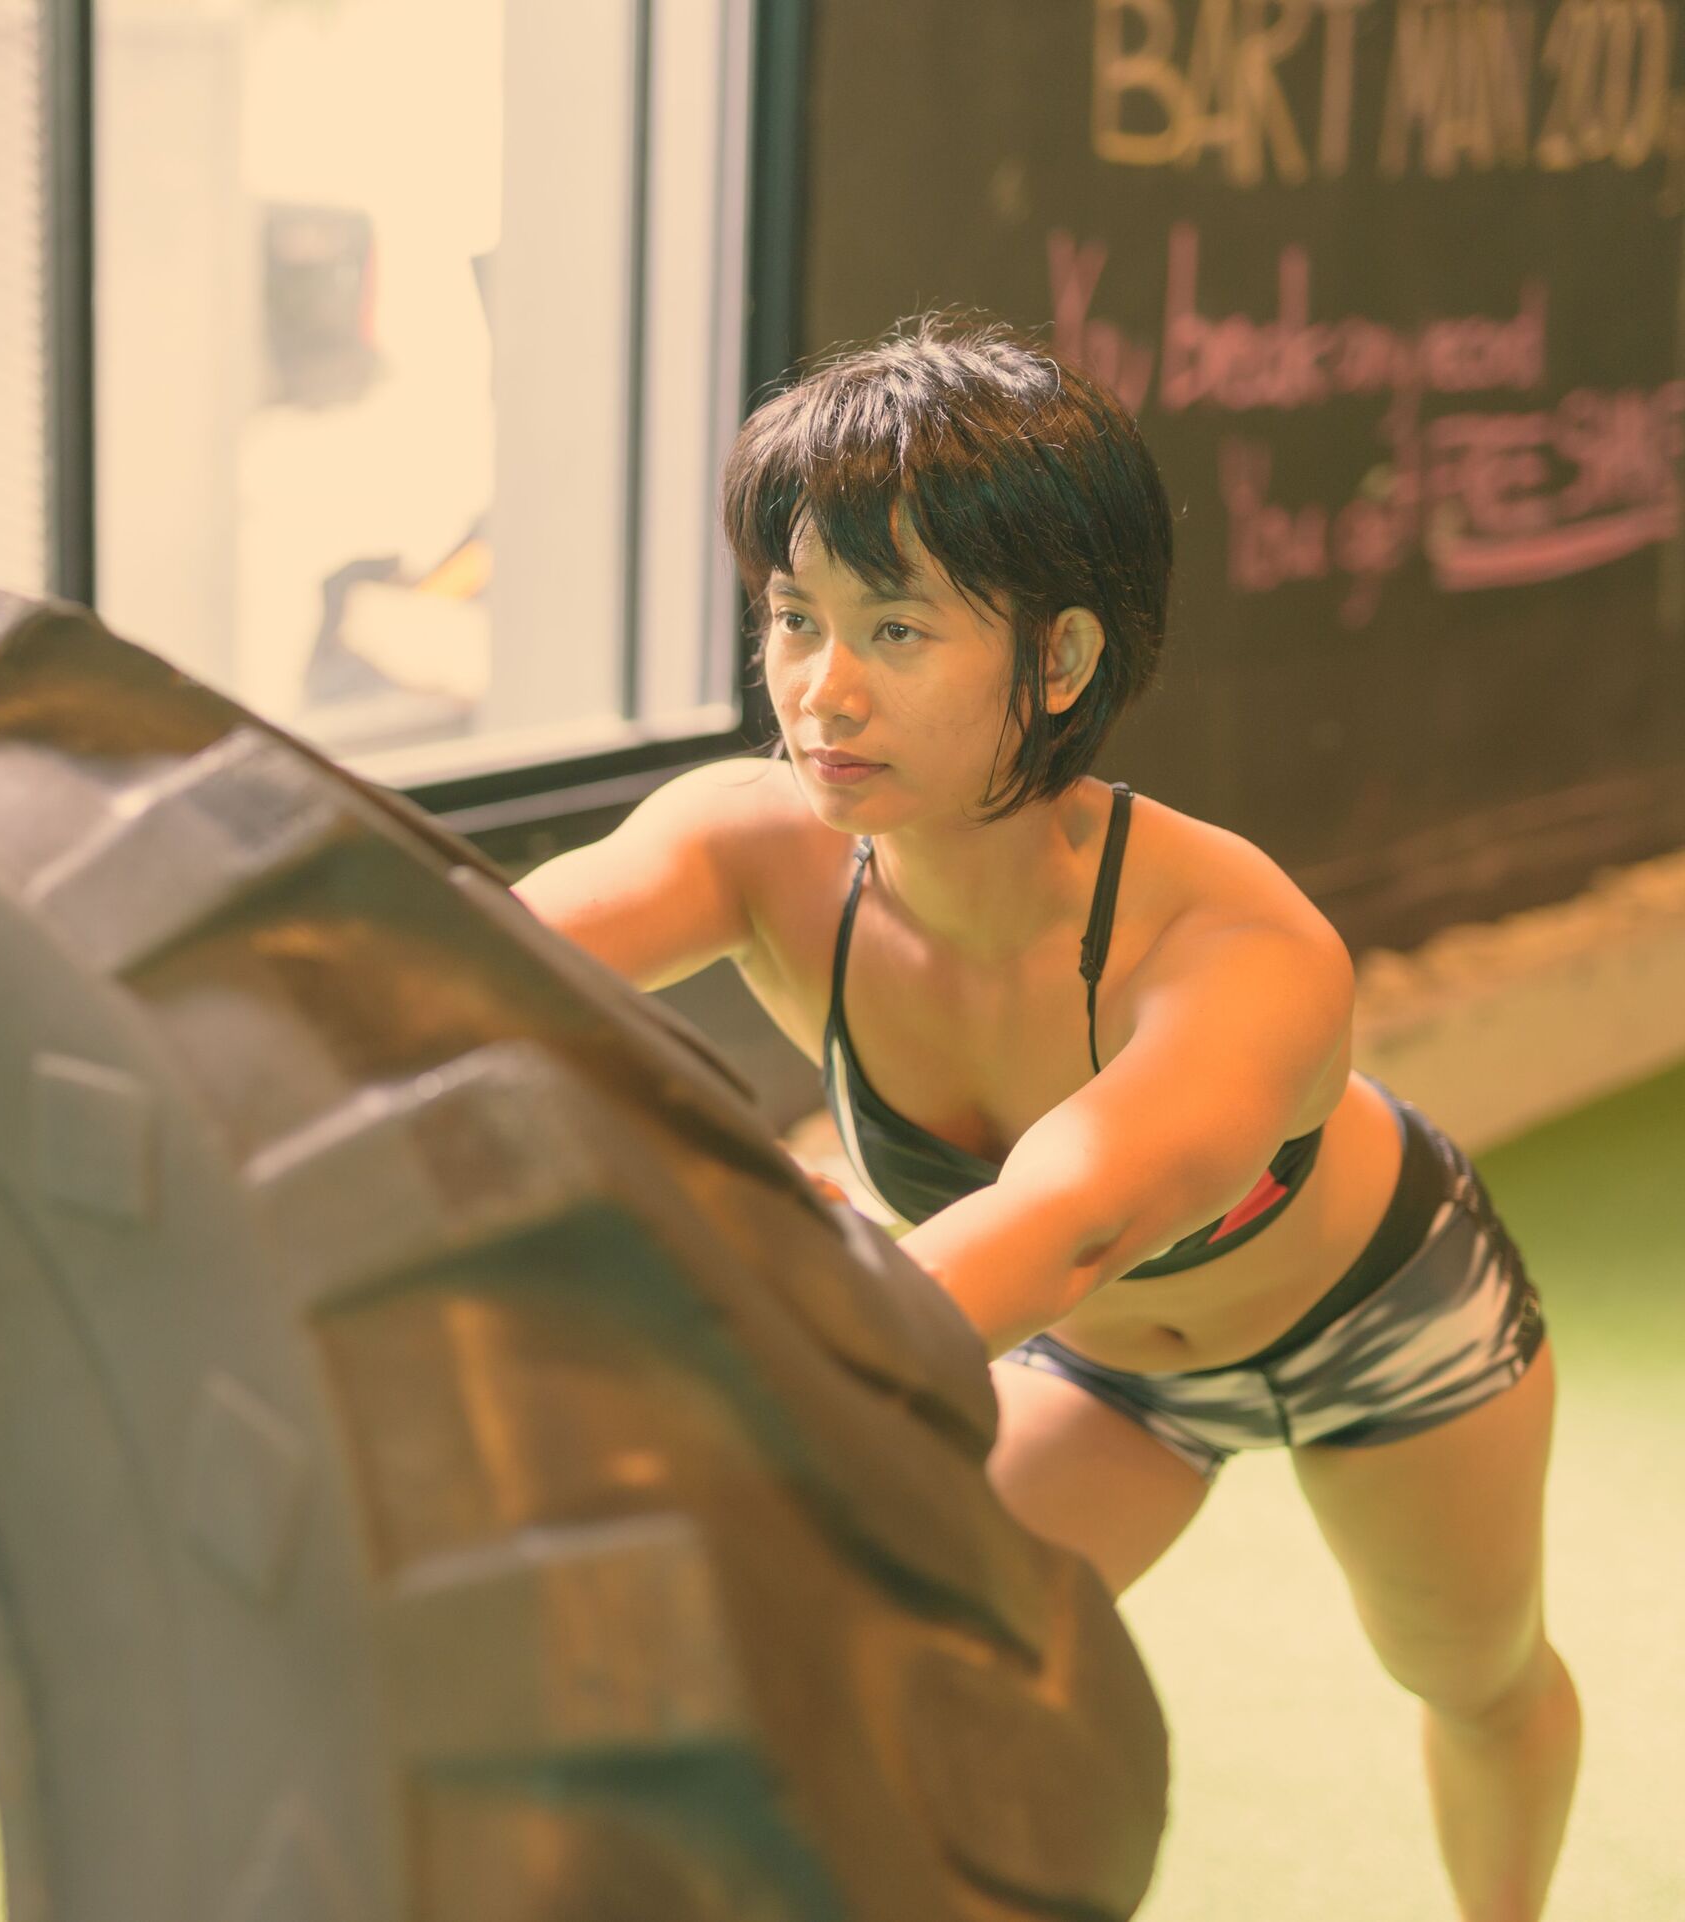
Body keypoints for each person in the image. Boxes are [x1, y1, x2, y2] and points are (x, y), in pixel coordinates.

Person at [515, 317, 1579, 1921]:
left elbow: (1070, 1215)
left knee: (1470, 1668)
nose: (823, 687)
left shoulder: (1242, 944)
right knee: (880, 1680)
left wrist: (742, 1339)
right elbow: (455, 955)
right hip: (1104, 1369)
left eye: (897, 627)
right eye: (794, 617)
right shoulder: (749, 849)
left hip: (1382, 1319)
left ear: (1061, 661)